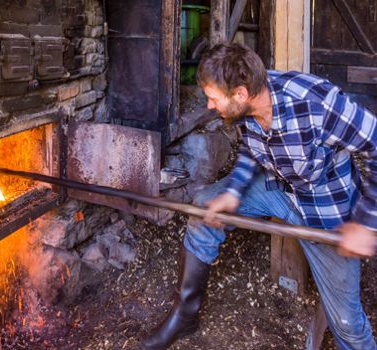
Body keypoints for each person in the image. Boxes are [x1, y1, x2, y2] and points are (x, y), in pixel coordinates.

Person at [141, 43, 377, 350]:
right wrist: (233, 192)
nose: (210, 106)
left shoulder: (316, 103)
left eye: (213, 99)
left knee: (346, 324)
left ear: (240, 93)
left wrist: (366, 223)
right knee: (203, 208)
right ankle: (185, 314)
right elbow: (253, 149)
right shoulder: (249, 105)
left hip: (326, 210)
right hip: (279, 189)